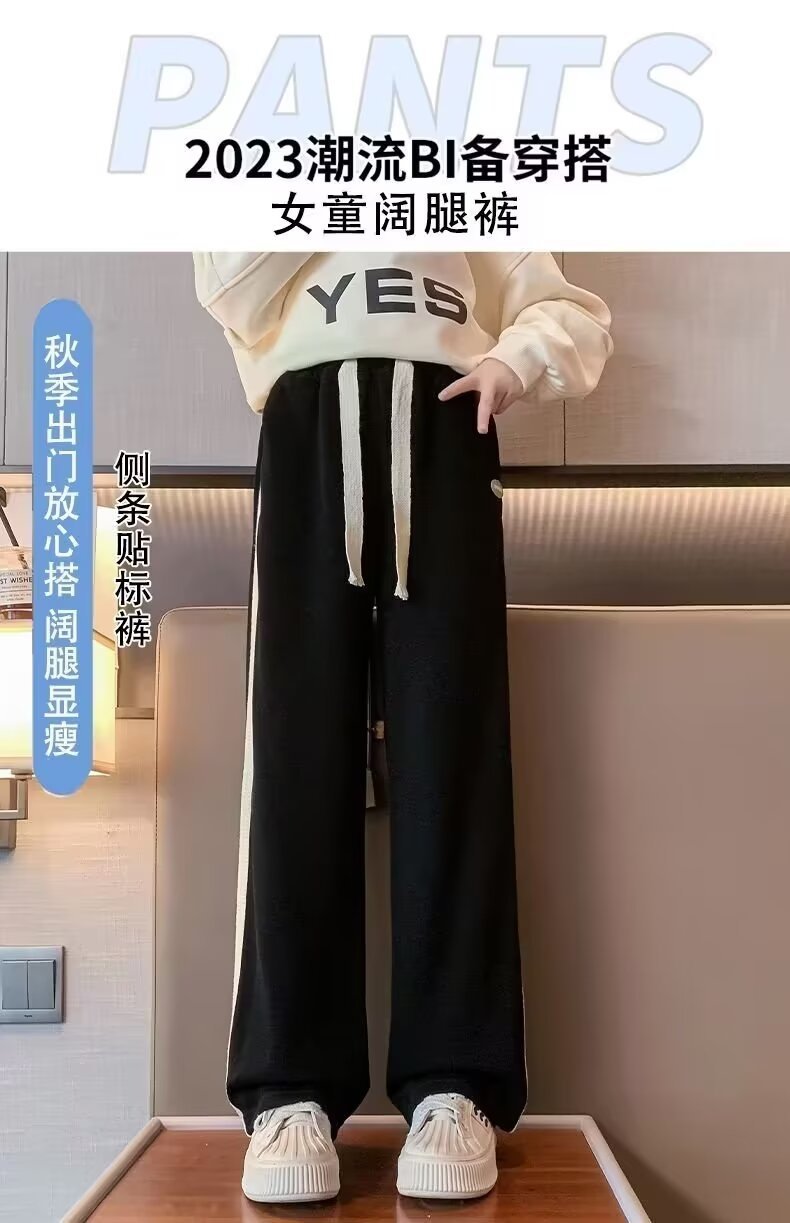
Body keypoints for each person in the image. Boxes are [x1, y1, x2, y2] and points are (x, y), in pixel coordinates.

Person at [193, 251, 612, 1204]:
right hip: (306, 423)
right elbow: (226, 287)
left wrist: (514, 362)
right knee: (294, 757)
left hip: (449, 419)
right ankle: (289, 1089)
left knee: (454, 754)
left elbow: (569, 312)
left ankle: (454, 1084)